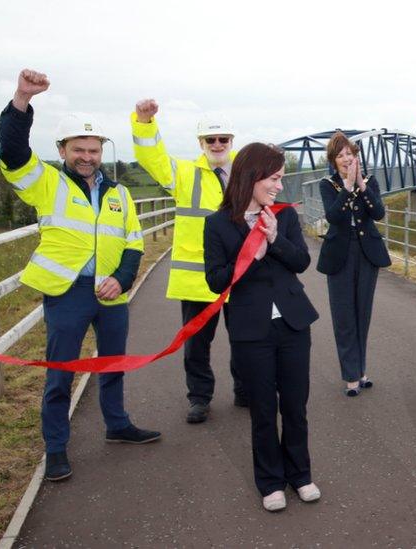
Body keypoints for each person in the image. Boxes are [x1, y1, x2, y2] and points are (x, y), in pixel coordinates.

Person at [0, 69, 160, 482]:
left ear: (101, 151)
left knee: (111, 364)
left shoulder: (119, 193)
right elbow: (14, 152)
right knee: (60, 373)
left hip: (110, 294)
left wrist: (122, 280)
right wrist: (21, 100)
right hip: (67, 293)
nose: (87, 156)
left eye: (93, 149)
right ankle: (56, 449)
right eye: (78, 149)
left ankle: (117, 425)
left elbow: (133, 243)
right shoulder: (46, 183)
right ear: (63, 149)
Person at [203, 142, 320, 511]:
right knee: (263, 409)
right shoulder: (217, 223)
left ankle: (300, 475)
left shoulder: (282, 216)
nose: (278, 186)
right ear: (252, 177)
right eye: (273, 178)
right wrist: (250, 256)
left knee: (296, 405)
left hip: (293, 324)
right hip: (251, 330)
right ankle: (270, 481)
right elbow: (216, 281)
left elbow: (301, 262)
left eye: (281, 178)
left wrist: (273, 239)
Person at [132, 98, 245, 423]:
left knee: (245, 339)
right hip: (197, 279)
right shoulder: (184, 173)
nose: (218, 144)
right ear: (201, 143)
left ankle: (245, 390)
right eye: (211, 139)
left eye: (224, 138)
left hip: (240, 276)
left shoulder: (247, 172)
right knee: (197, 346)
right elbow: (151, 158)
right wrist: (144, 123)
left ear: (231, 141)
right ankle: (199, 398)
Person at [316, 132, 391, 396]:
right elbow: (334, 217)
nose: (346, 158)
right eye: (340, 155)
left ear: (356, 156)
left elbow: (378, 213)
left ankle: (361, 370)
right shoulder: (328, 185)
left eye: (350, 153)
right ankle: (351, 375)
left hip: (367, 253)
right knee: (344, 315)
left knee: (362, 313)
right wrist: (347, 187)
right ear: (333, 161)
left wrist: (360, 184)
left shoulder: (370, 181)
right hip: (339, 255)